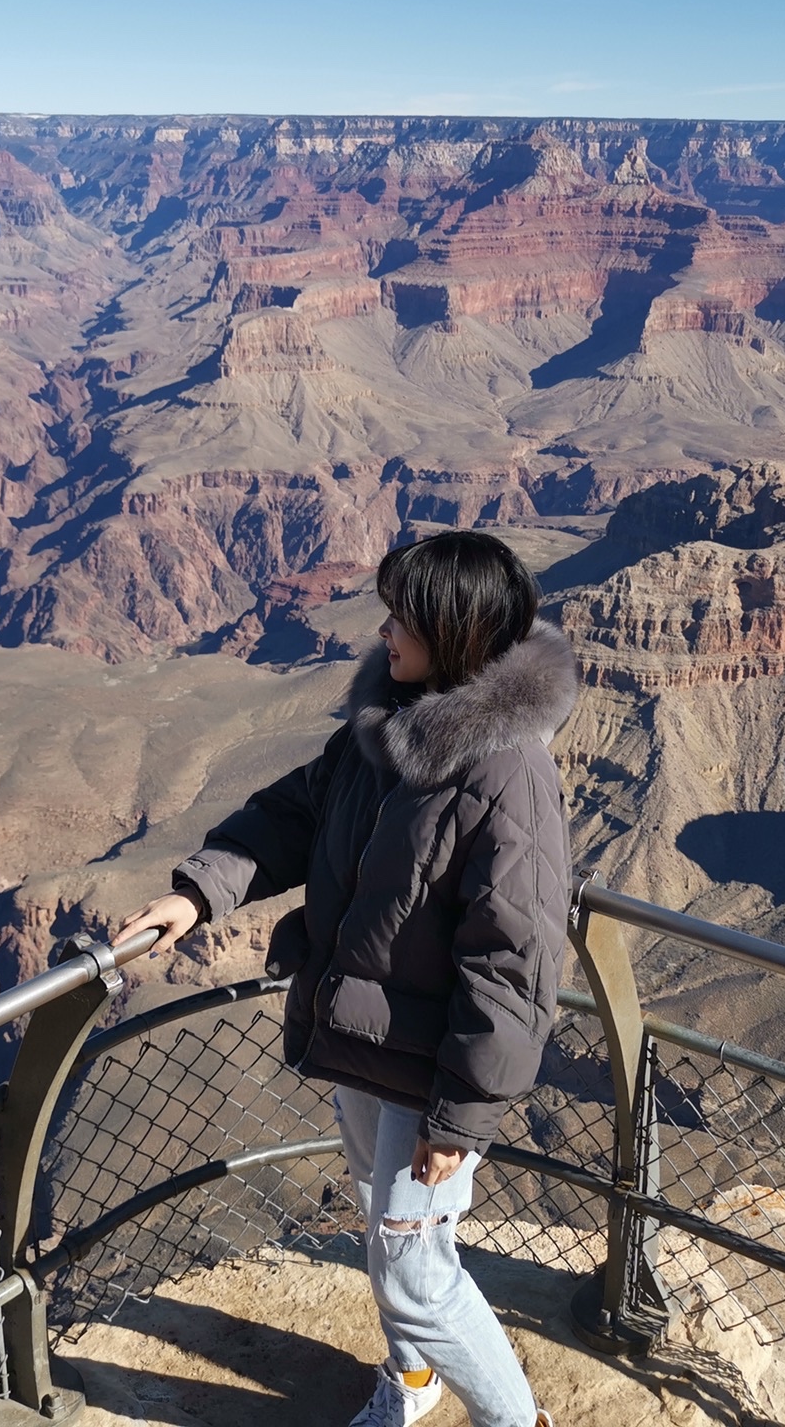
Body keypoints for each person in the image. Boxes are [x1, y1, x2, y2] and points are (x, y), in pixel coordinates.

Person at [116, 529, 577, 1427]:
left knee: (413, 1274)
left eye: (404, 614)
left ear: (456, 632)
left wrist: (461, 1115)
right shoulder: (389, 728)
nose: (386, 628)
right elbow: (296, 811)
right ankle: (412, 1382)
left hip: (428, 1073)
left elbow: (512, 963)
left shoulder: (508, 775)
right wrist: (199, 896)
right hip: (363, 1043)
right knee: (389, 1232)